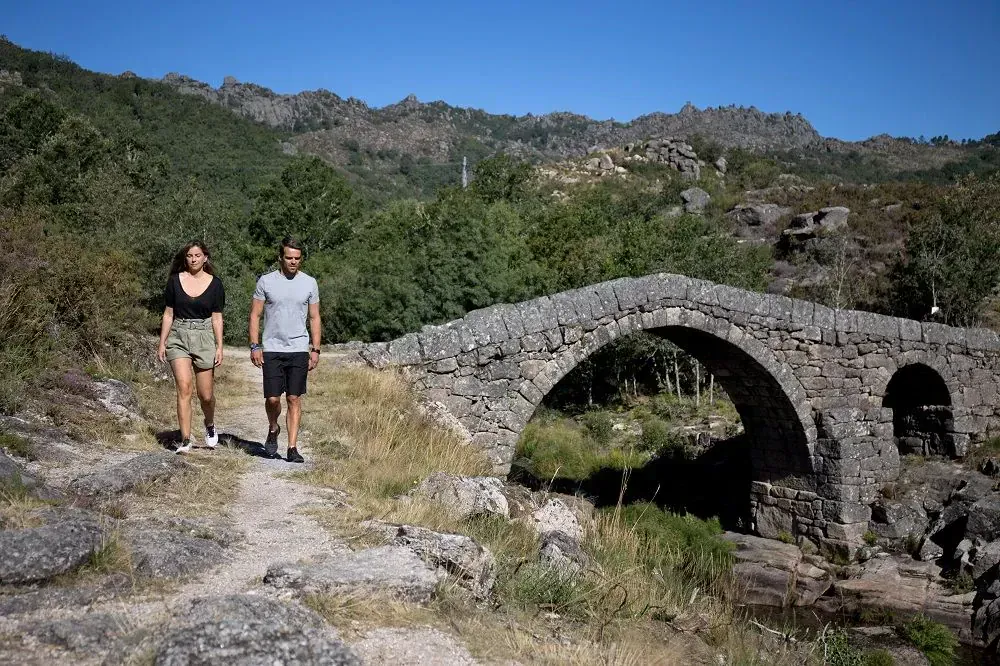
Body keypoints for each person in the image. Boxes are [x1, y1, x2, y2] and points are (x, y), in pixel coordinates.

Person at [248, 236, 321, 463]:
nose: (293, 262)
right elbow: (255, 315)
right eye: (289, 258)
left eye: (297, 258)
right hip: (272, 348)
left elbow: (315, 317)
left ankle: (291, 447)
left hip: (298, 348)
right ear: (281, 257)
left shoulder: (309, 283)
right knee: (272, 399)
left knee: (294, 398)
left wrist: (315, 349)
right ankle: (273, 427)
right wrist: (254, 345)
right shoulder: (266, 282)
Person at [157, 241, 225, 453]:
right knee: (184, 388)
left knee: (205, 395)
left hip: (204, 336)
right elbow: (168, 314)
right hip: (179, 335)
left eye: (197, 255)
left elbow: (217, 318)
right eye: (189, 255)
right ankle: (185, 440)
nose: (193, 259)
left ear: (205, 257)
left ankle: (210, 423)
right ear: (185, 258)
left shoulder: (215, 284)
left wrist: (219, 346)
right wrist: (162, 342)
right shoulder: (175, 282)